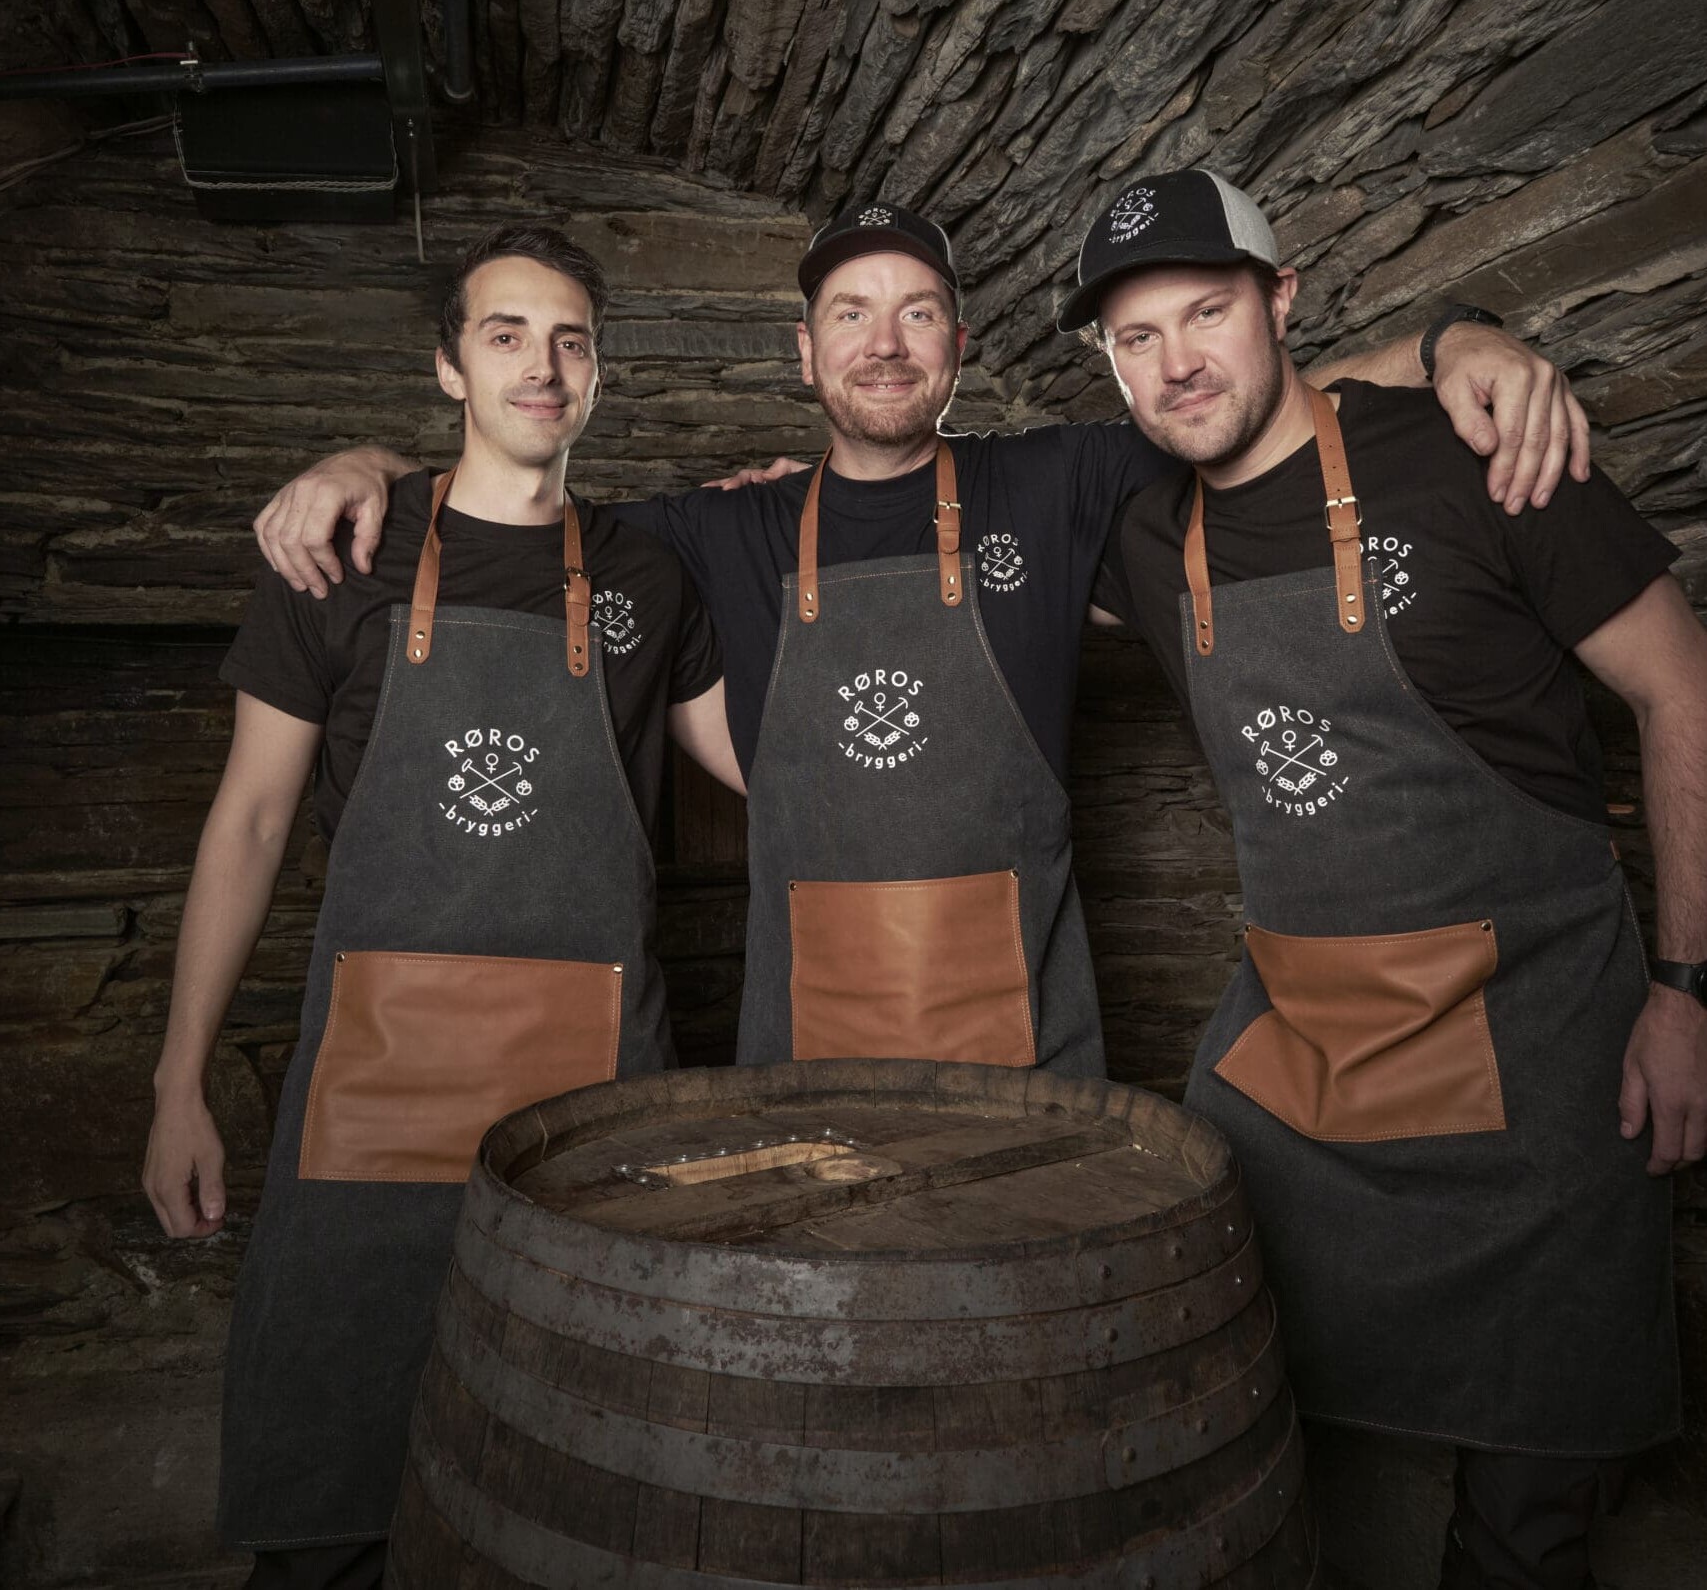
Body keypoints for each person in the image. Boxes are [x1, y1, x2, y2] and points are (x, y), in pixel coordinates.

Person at [251, 204, 1589, 1078]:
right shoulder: (714, 535)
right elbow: (513, 498)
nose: (884, 343)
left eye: (917, 312)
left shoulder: (1062, 483)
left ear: (958, 343)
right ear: (805, 350)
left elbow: (1246, 405)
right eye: (851, 313)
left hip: (1029, 1045)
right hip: (807, 1050)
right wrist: (365, 466)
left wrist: (1458, 342)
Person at [1079, 168, 1707, 1588]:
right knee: (1214, 1369)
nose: (1176, 362)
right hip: (1303, 1044)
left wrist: (1685, 995)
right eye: (1135, 337)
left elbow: (1688, 697)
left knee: (1535, 1493)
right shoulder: (1135, 522)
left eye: (1208, 312)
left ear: (1283, 302)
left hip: (1541, 1041)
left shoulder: (1474, 456)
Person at [141, 222, 738, 1589]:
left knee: (586, 1484)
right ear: (447, 368)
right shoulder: (337, 558)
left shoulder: (648, 573)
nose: (545, 365)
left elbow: (772, 771)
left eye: (572, 340)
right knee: (338, 1491)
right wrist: (180, 1084)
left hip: (596, 1101)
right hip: (373, 1094)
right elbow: (246, 825)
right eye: (507, 334)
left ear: (600, 376)